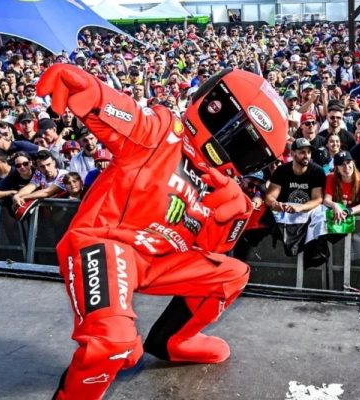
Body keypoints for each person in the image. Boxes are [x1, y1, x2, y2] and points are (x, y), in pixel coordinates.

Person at [39, 64, 287, 400]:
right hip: (106, 244)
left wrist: (232, 215)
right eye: (229, 124)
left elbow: (210, 249)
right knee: (113, 344)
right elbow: (125, 114)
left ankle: (174, 340)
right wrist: (89, 88)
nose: (227, 142)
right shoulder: (163, 131)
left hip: (159, 260)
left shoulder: (222, 186)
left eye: (246, 147)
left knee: (232, 274)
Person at [265, 138, 326, 214]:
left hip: (308, 213)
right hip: (284, 213)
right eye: (302, 152)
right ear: (292, 153)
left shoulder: (317, 171)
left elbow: (318, 199)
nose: (306, 156)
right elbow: (269, 197)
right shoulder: (281, 171)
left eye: (309, 152)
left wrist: (300, 207)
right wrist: (275, 204)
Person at [323, 151, 360, 223]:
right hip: (337, 221)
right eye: (342, 164)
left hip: (359, 221)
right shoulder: (331, 178)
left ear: (353, 163)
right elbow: (326, 200)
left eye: (348, 162)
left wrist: (349, 211)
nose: (346, 167)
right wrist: (335, 205)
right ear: (337, 169)